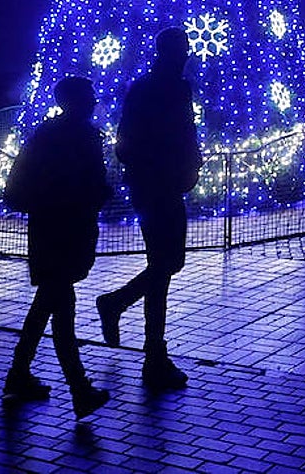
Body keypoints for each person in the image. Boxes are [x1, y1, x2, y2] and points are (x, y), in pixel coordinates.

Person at [96, 27, 203, 392]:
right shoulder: (170, 89)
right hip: (160, 185)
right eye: (184, 49)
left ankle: (135, 328)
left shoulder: (147, 88)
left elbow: (129, 142)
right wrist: (179, 162)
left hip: (153, 184)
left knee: (166, 264)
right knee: (165, 264)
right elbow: (172, 135)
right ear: (173, 52)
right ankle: (151, 350)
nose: (188, 54)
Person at [2, 76, 112, 419]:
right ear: (78, 101)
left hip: (47, 227)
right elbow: (92, 185)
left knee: (46, 306)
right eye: (90, 96)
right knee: (62, 313)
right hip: (68, 229)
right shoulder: (82, 137)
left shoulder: (47, 134)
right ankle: (79, 390)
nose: (95, 101)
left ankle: (18, 374)